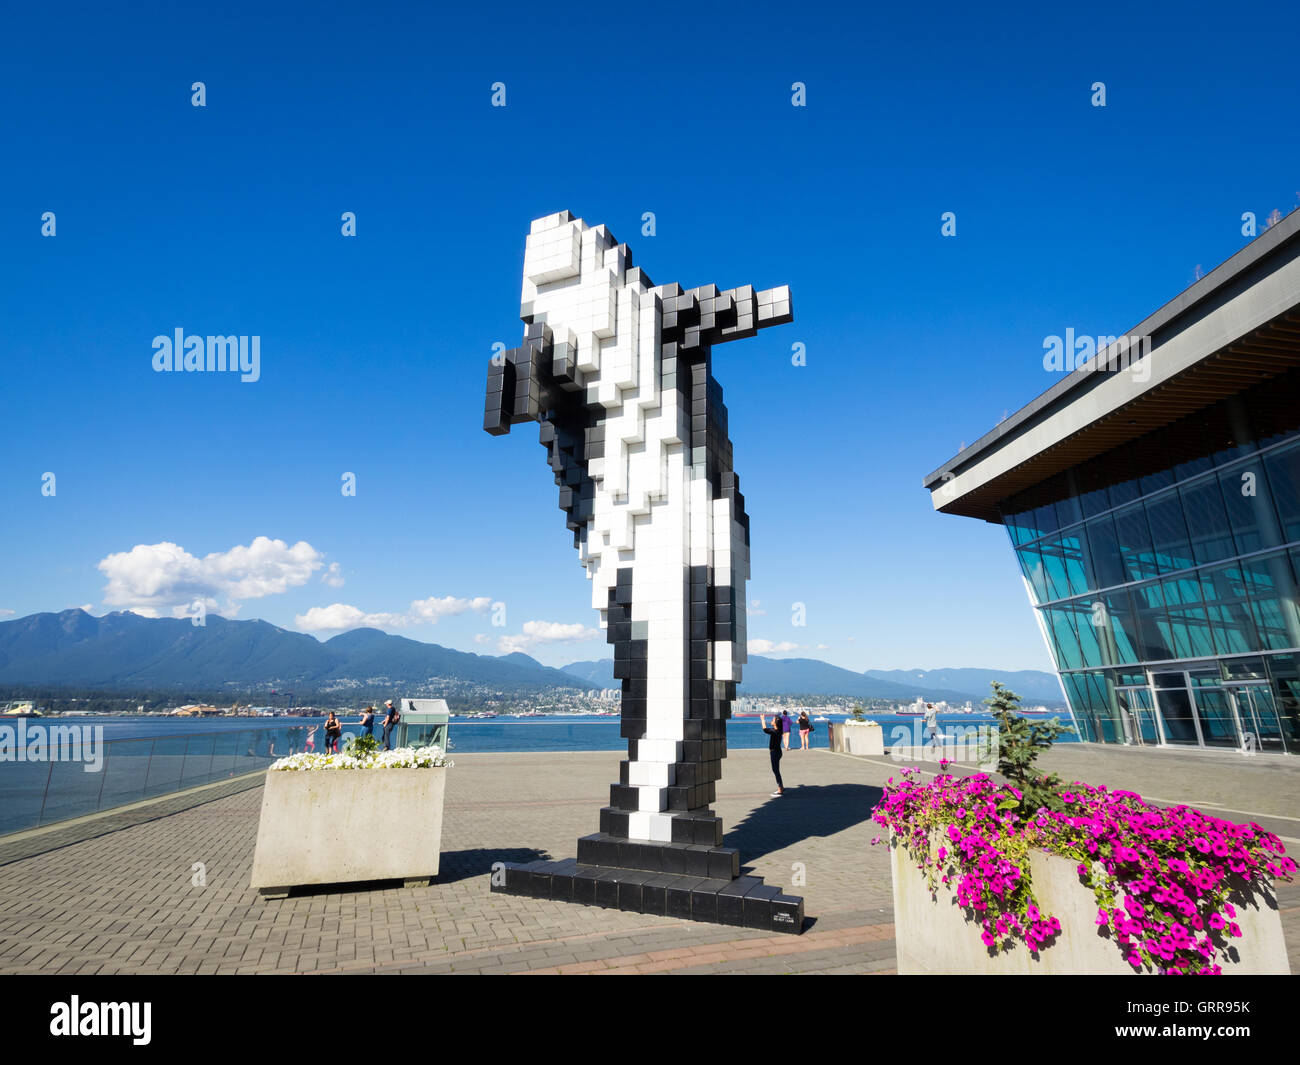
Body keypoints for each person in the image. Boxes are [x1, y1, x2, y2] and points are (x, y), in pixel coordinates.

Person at [761, 714, 785, 797]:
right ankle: (781, 787)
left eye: (772, 720)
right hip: (777, 752)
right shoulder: (778, 731)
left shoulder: (775, 731)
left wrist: (762, 719)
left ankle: (780, 789)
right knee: (776, 770)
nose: (771, 721)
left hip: (774, 752)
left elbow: (764, 729)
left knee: (776, 770)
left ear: (776, 723)